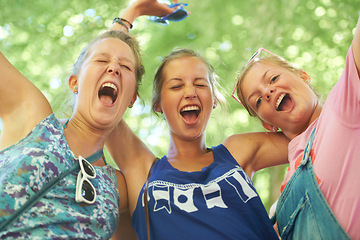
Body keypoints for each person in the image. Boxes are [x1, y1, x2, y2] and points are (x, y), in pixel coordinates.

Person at [0, 0, 178, 239]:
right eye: (101, 61)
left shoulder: (119, 190)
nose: (113, 68)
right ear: (75, 82)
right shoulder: (32, 117)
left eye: (125, 67)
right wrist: (130, 13)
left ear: (131, 99)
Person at [107, 48, 290, 239]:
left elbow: (310, 135)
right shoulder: (143, 170)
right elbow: (99, 89)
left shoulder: (239, 150)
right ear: (158, 104)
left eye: (201, 84)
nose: (190, 92)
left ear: (214, 100)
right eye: (177, 86)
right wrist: (128, 19)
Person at [233, 13, 360, 239]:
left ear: (304, 76)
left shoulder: (344, 104)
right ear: (267, 124)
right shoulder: (280, 205)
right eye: (258, 100)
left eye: (272, 79)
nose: (267, 91)